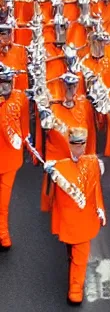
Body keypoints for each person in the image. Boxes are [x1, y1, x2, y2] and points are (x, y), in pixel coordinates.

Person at [44, 127, 106, 305]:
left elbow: (96, 189)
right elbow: (50, 196)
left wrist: (100, 208)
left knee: (81, 254)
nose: (79, 148)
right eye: (75, 144)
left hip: (85, 216)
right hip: (68, 217)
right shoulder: (59, 166)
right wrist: (49, 173)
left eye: (82, 144)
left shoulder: (94, 162)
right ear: (69, 144)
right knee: (72, 249)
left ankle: (75, 288)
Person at [0, 66, 30, 250]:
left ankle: (3, 233)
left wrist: (26, 145)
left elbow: (25, 126)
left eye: (7, 82)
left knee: (3, 201)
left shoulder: (21, 98)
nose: (5, 87)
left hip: (10, 159)